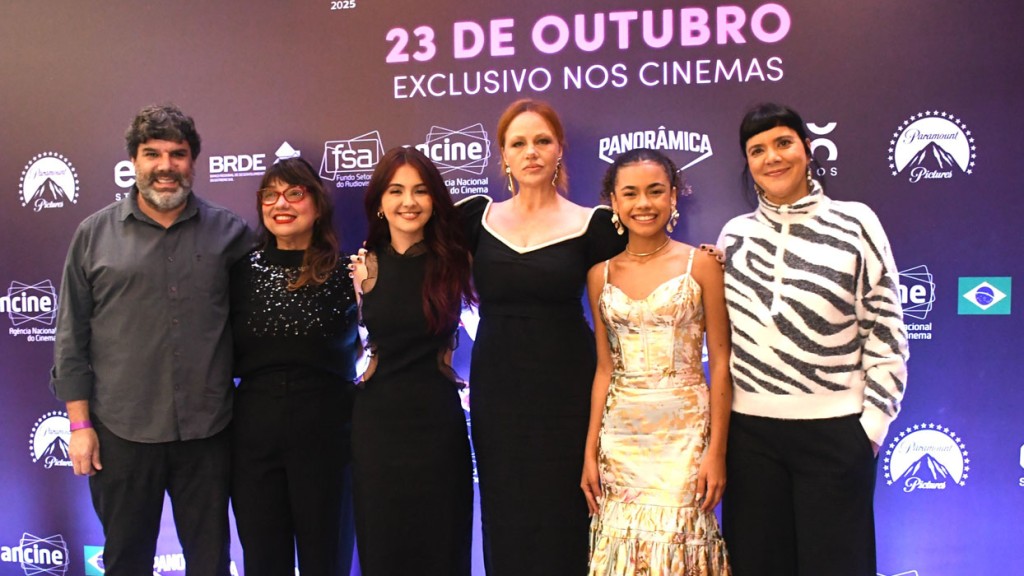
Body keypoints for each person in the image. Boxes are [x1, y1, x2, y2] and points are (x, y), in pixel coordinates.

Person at [49, 104, 252, 576]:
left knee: (210, 562)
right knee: (125, 560)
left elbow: (259, 322)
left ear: (193, 162)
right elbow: (71, 336)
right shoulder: (93, 235)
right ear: (133, 161)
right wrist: (80, 426)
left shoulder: (231, 234)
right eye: (152, 154)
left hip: (207, 432)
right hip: (121, 433)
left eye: (177, 154)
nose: (166, 166)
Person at [716, 103, 909, 576]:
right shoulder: (734, 236)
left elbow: (885, 329)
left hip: (835, 434)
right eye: (757, 150)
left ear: (807, 147)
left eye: (783, 143)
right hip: (751, 440)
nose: (772, 157)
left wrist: (871, 428)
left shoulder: (856, 223)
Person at [457, 98, 626, 575]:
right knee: (504, 513)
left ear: (559, 150)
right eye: (518, 143)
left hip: (566, 393)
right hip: (496, 394)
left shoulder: (594, 225)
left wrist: (706, 260)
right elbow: (414, 259)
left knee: (565, 516)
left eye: (542, 141)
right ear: (503, 156)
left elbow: (648, 269)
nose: (530, 152)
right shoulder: (474, 220)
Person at [582, 148, 732, 575]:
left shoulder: (701, 265)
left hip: (685, 437)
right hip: (621, 438)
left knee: (680, 544)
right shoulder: (599, 275)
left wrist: (716, 451)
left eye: (655, 191)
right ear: (614, 202)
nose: (643, 204)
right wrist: (590, 451)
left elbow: (722, 363)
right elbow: (604, 369)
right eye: (630, 193)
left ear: (673, 197)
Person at [229, 157, 359, 576]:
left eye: (294, 193)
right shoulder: (238, 272)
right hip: (254, 435)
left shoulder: (348, 273)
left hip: (327, 433)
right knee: (263, 561)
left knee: (327, 560)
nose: (280, 203)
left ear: (317, 205)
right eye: (270, 195)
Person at [349, 147, 475, 576]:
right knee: (384, 548)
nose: (409, 201)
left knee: (442, 546)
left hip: (439, 426)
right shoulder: (362, 267)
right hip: (376, 430)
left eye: (420, 191)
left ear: (435, 200)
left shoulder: (457, 262)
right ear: (379, 202)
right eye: (396, 190)